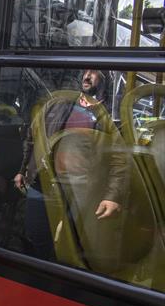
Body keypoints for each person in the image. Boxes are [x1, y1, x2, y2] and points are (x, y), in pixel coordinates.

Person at [14, 69, 128, 262]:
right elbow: (33, 138)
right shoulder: (59, 104)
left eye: (94, 73)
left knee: (74, 243)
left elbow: (120, 159)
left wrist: (112, 196)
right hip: (44, 182)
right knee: (36, 233)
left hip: (80, 189)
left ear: (105, 79)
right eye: (86, 71)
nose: (87, 76)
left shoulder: (107, 116)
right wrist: (23, 169)